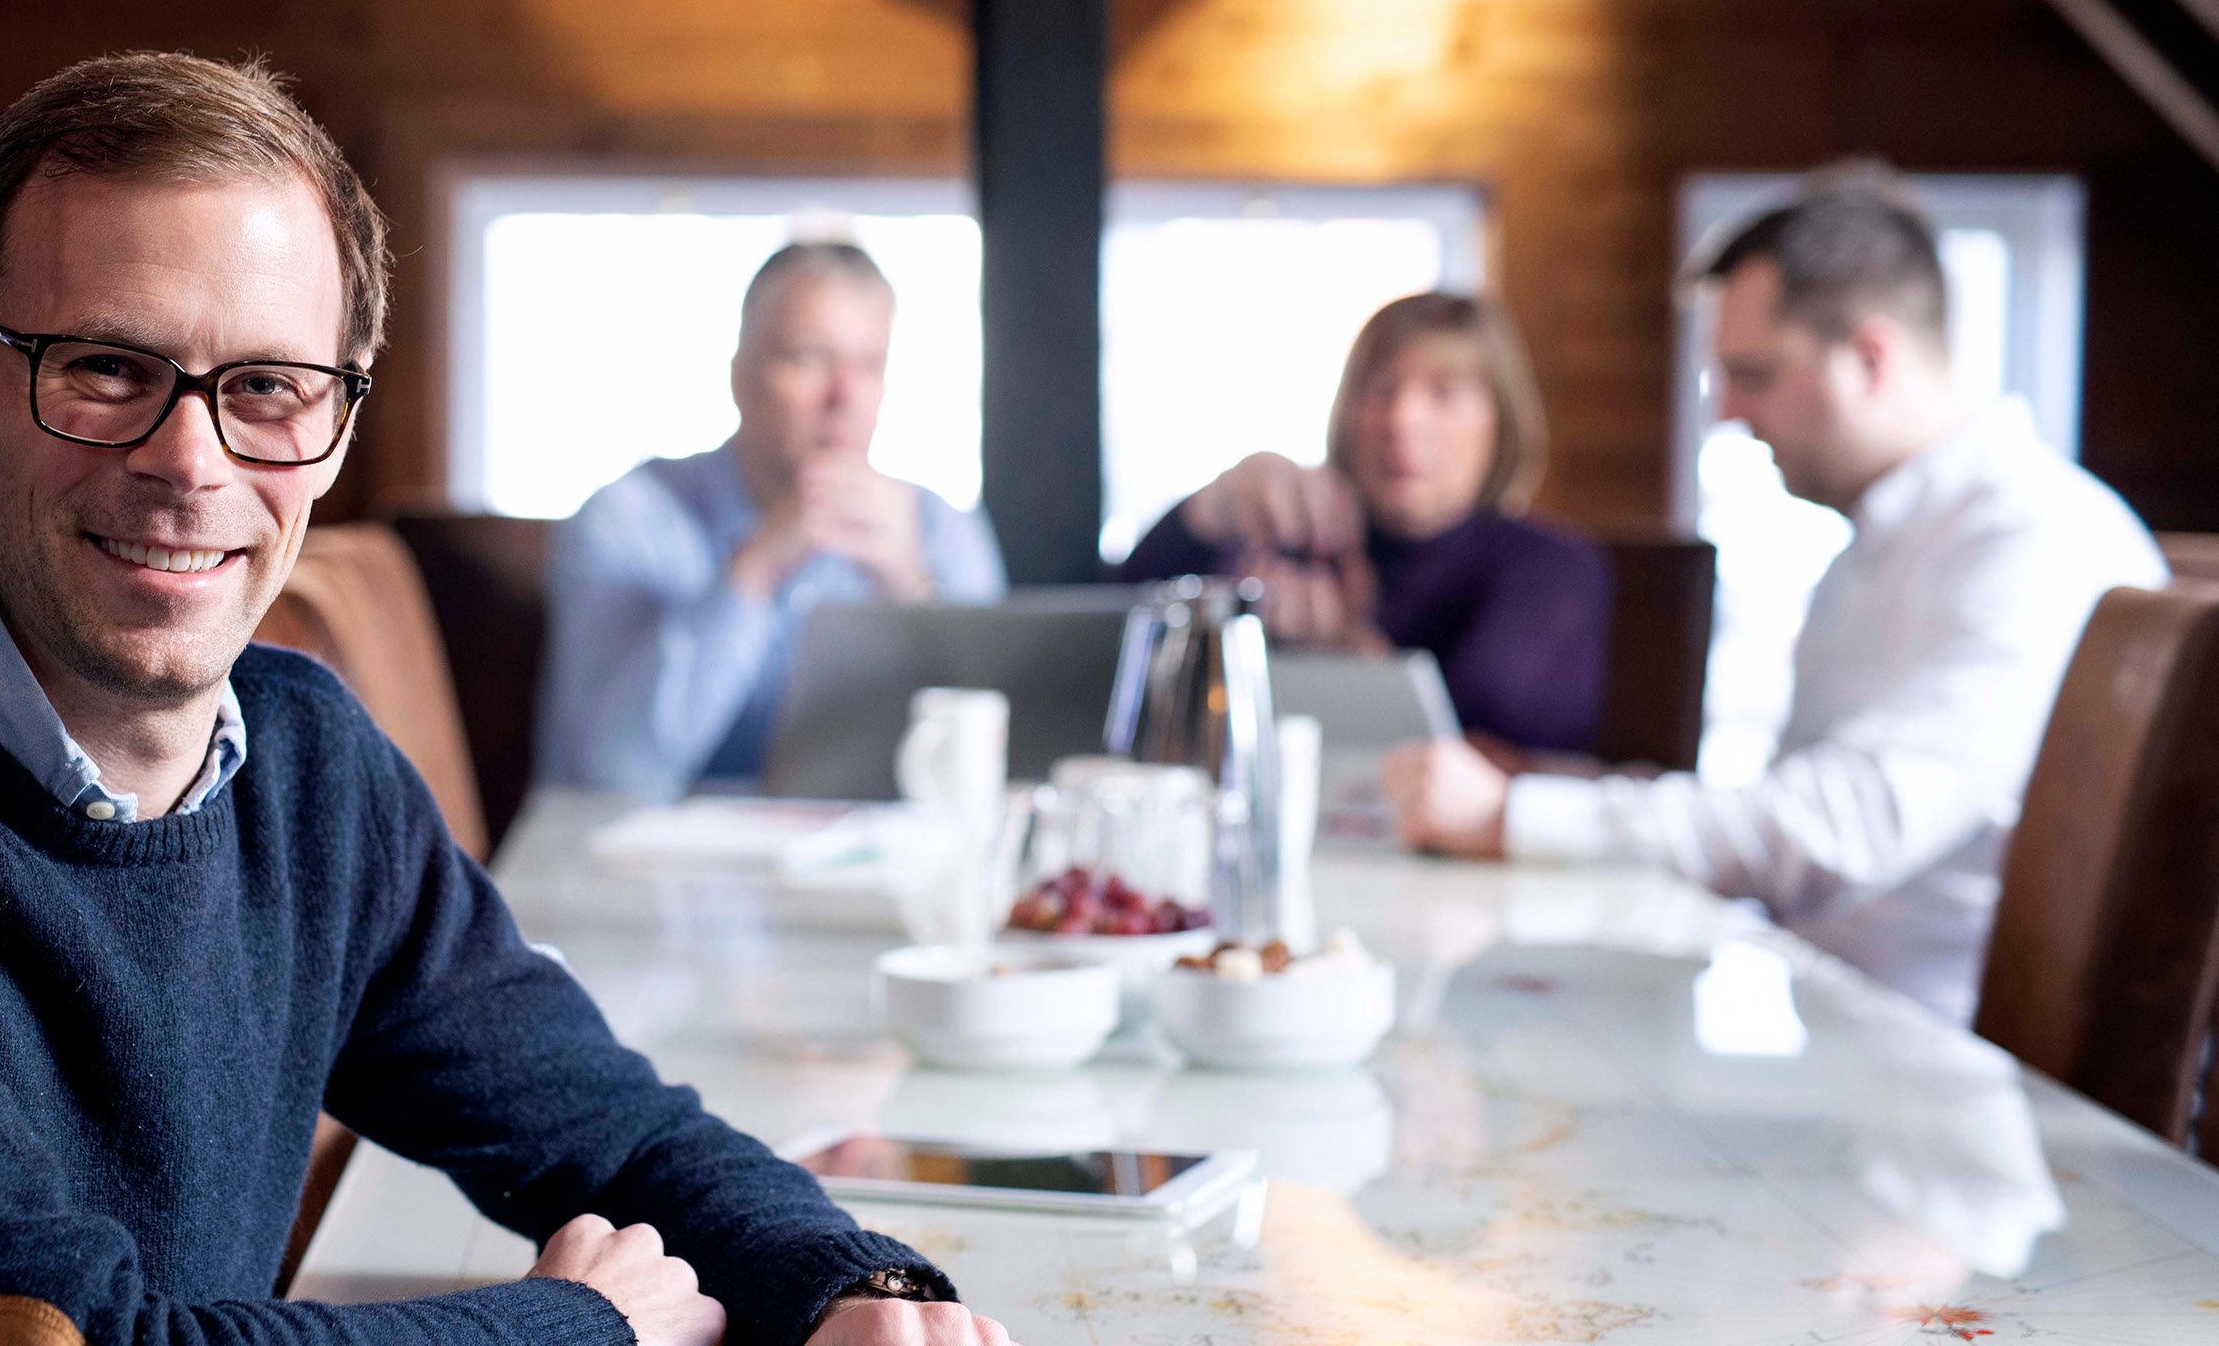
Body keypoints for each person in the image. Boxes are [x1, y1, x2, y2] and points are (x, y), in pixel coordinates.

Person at [0, 54, 1019, 1346]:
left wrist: (855, 1284)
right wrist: (575, 1326)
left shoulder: (304, 762)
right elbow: (69, 1340)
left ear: (341, 417)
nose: (194, 463)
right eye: (104, 368)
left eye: (270, 387)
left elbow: (606, 1129)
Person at [1383, 168, 2167, 1023]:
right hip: (1837, 1025)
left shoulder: (2035, 539)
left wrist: (1521, 816)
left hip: (1944, 1072)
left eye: (1753, 373)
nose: (1728, 413)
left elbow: (1843, 830)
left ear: (1869, 357)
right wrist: (1541, 787)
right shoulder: (1877, 544)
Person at [537, 243, 1007, 799]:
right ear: (739, 377)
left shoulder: (937, 528)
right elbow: (612, 773)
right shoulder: (628, 519)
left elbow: (992, 779)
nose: (846, 397)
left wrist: (912, 591)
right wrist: (752, 571)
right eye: (811, 358)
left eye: (870, 364)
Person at [1114, 293, 1610, 756]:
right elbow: (1114, 640)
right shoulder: (1298, 548)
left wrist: (1348, 653)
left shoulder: (1551, 572)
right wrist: (1213, 507)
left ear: (1501, 421)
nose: (1402, 419)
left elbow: (1491, 732)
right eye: (1379, 389)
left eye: (1445, 392)